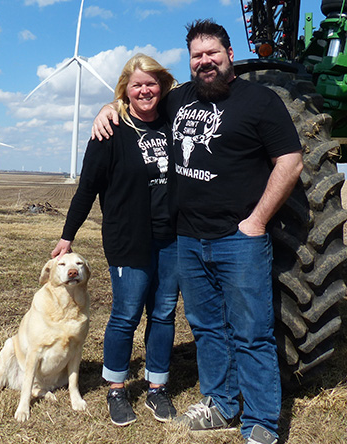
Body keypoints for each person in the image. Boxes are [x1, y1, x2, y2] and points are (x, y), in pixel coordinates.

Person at [91, 20, 303, 444]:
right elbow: (140, 102)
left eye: (213, 53)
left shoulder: (260, 101)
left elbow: (291, 161)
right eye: (197, 56)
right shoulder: (180, 99)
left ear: (228, 53)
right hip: (187, 238)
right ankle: (222, 404)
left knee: (251, 332)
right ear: (189, 61)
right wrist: (108, 107)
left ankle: (261, 421)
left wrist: (256, 222)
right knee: (206, 327)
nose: (205, 61)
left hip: (239, 238)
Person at [51, 54, 179, 427]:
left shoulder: (173, 123)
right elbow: (87, 187)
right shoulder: (110, 132)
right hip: (128, 237)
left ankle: (157, 387)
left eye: (152, 83)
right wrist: (67, 236)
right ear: (125, 89)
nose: (145, 90)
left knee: (164, 312)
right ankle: (117, 388)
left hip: (171, 237)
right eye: (137, 84)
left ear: (163, 86)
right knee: (126, 314)